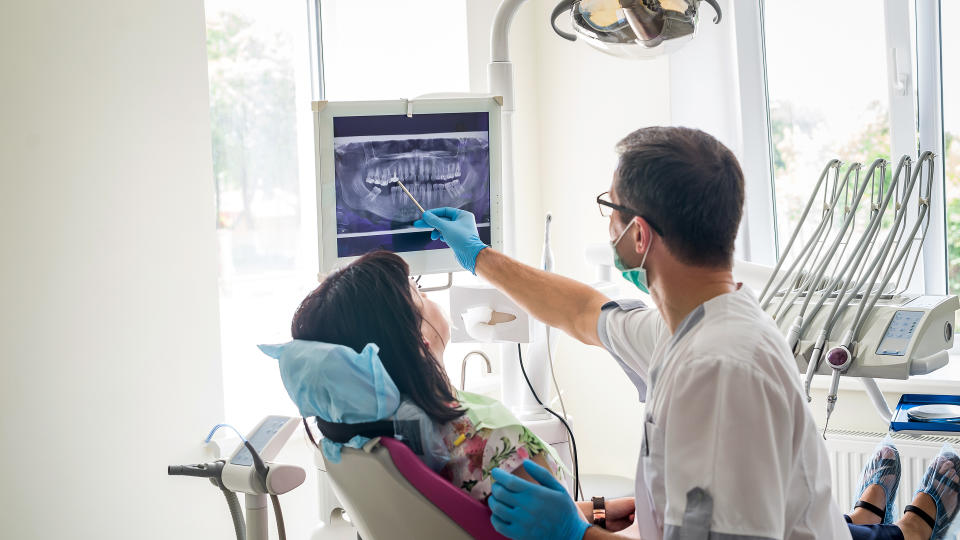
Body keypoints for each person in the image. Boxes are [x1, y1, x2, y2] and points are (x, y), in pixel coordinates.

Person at [413, 126, 850, 539]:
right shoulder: (692, 327)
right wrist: (477, 255)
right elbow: (582, 311)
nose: (608, 225)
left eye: (611, 209)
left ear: (638, 234)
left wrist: (576, 532)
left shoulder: (717, 370)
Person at [273, 250, 621, 510]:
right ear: (419, 339)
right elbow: (560, 530)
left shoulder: (358, 440)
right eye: (419, 294)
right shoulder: (490, 445)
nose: (429, 298)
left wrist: (601, 511)